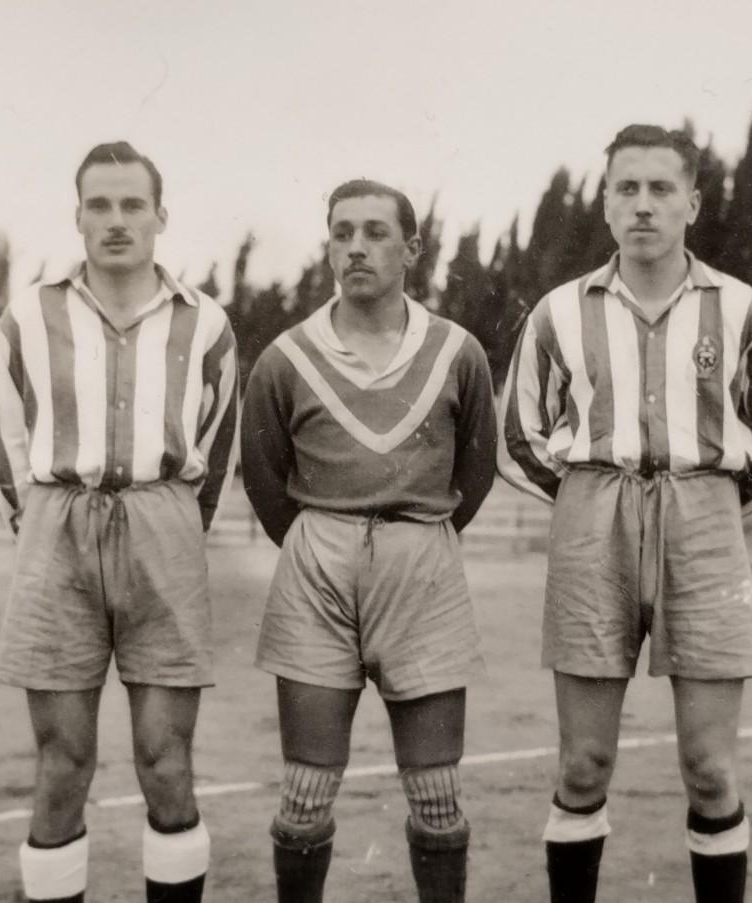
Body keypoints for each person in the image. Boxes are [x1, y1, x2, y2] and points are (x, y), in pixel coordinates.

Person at [499, 124, 752, 903]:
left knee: (710, 768)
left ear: (692, 204)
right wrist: (587, 496)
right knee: (583, 764)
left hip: (705, 525)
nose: (643, 205)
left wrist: (708, 502)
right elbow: (518, 436)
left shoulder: (742, 310)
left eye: (661, 188)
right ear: (606, 204)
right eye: (627, 188)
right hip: (592, 522)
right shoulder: (557, 313)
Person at [0, 141, 238, 903]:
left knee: (166, 761)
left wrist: (168, 525)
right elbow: (8, 445)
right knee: (62, 764)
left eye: (133, 204)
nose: (117, 220)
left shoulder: (206, 323)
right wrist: (44, 530)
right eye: (100, 205)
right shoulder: (28, 315)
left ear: (161, 215)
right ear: (78, 217)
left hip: (163, 528)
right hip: (57, 533)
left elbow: (216, 448)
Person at [240, 179, 497, 903]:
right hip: (316, 568)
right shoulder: (286, 357)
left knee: (437, 791)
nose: (356, 247)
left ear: (412, 249)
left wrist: (415, 537)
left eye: (376, 232)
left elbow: (475, 470)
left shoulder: (457, 351)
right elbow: (264, 477)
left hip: (422, 563)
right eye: (342, 232)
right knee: (305, 789)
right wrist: (324, 539)